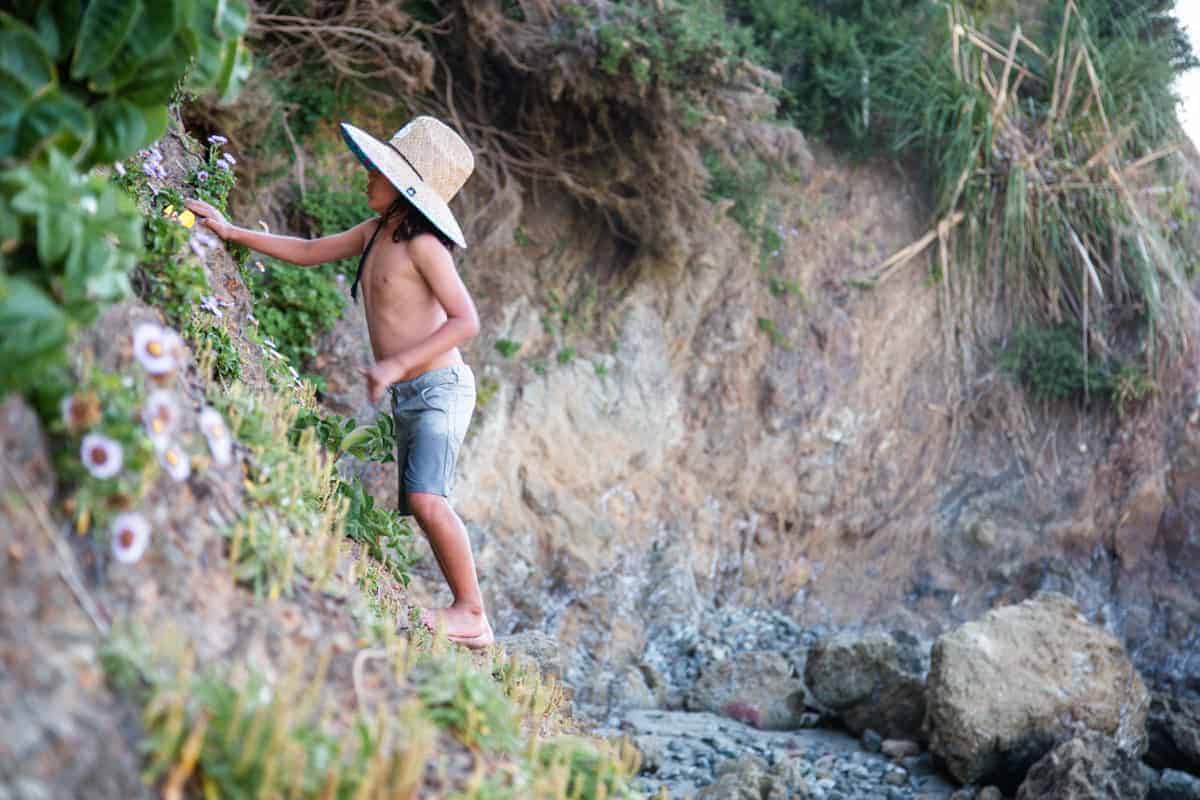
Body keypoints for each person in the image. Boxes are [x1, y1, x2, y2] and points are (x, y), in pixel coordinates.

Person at [186, 116, 493, 648]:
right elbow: (308, 251)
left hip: (440, 388)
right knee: (420, 500)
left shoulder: (425, 247)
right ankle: (466, 610)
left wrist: (396, 366)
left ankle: (472, 614)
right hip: (411, 394)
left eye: (377, 170)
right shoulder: (375, 234)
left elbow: (466, 321)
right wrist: (231, 231)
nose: (366, 175)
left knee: (427, 500)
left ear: (404, 187)